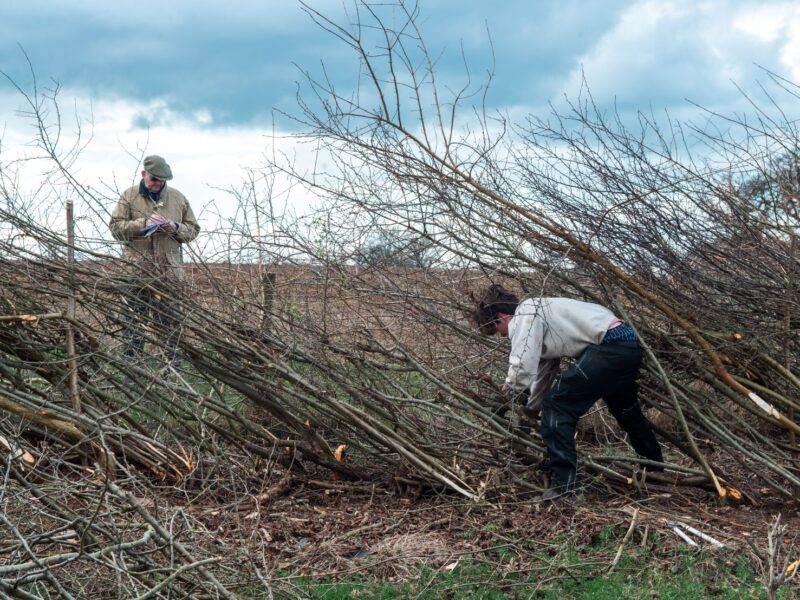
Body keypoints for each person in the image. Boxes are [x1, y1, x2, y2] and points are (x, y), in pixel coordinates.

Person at [470, 284, 663, 501]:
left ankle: (565, 487)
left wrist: (506, 396)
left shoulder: (526, 312)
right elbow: (544, 370)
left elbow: (523, 364)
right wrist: (531, 408)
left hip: (608, 346)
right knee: (626, 411)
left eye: (497, 330)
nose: (502, 336)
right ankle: (654, 469)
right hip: (626, 345)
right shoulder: (542, 312)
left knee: (557, 407)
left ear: (501, 316)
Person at [109, 155, 200, 363]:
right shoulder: (129, 196)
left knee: (170, 328)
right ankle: (132, 369)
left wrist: (175, 228)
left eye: (162, 180)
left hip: (169, 275)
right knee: (133, 327)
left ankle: (173, 370)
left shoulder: (178, 198)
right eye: (154, 179)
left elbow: (193, 229)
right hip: (135, 275)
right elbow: (115, 229)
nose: (158, 184)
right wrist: (143, 224)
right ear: (143, 174)